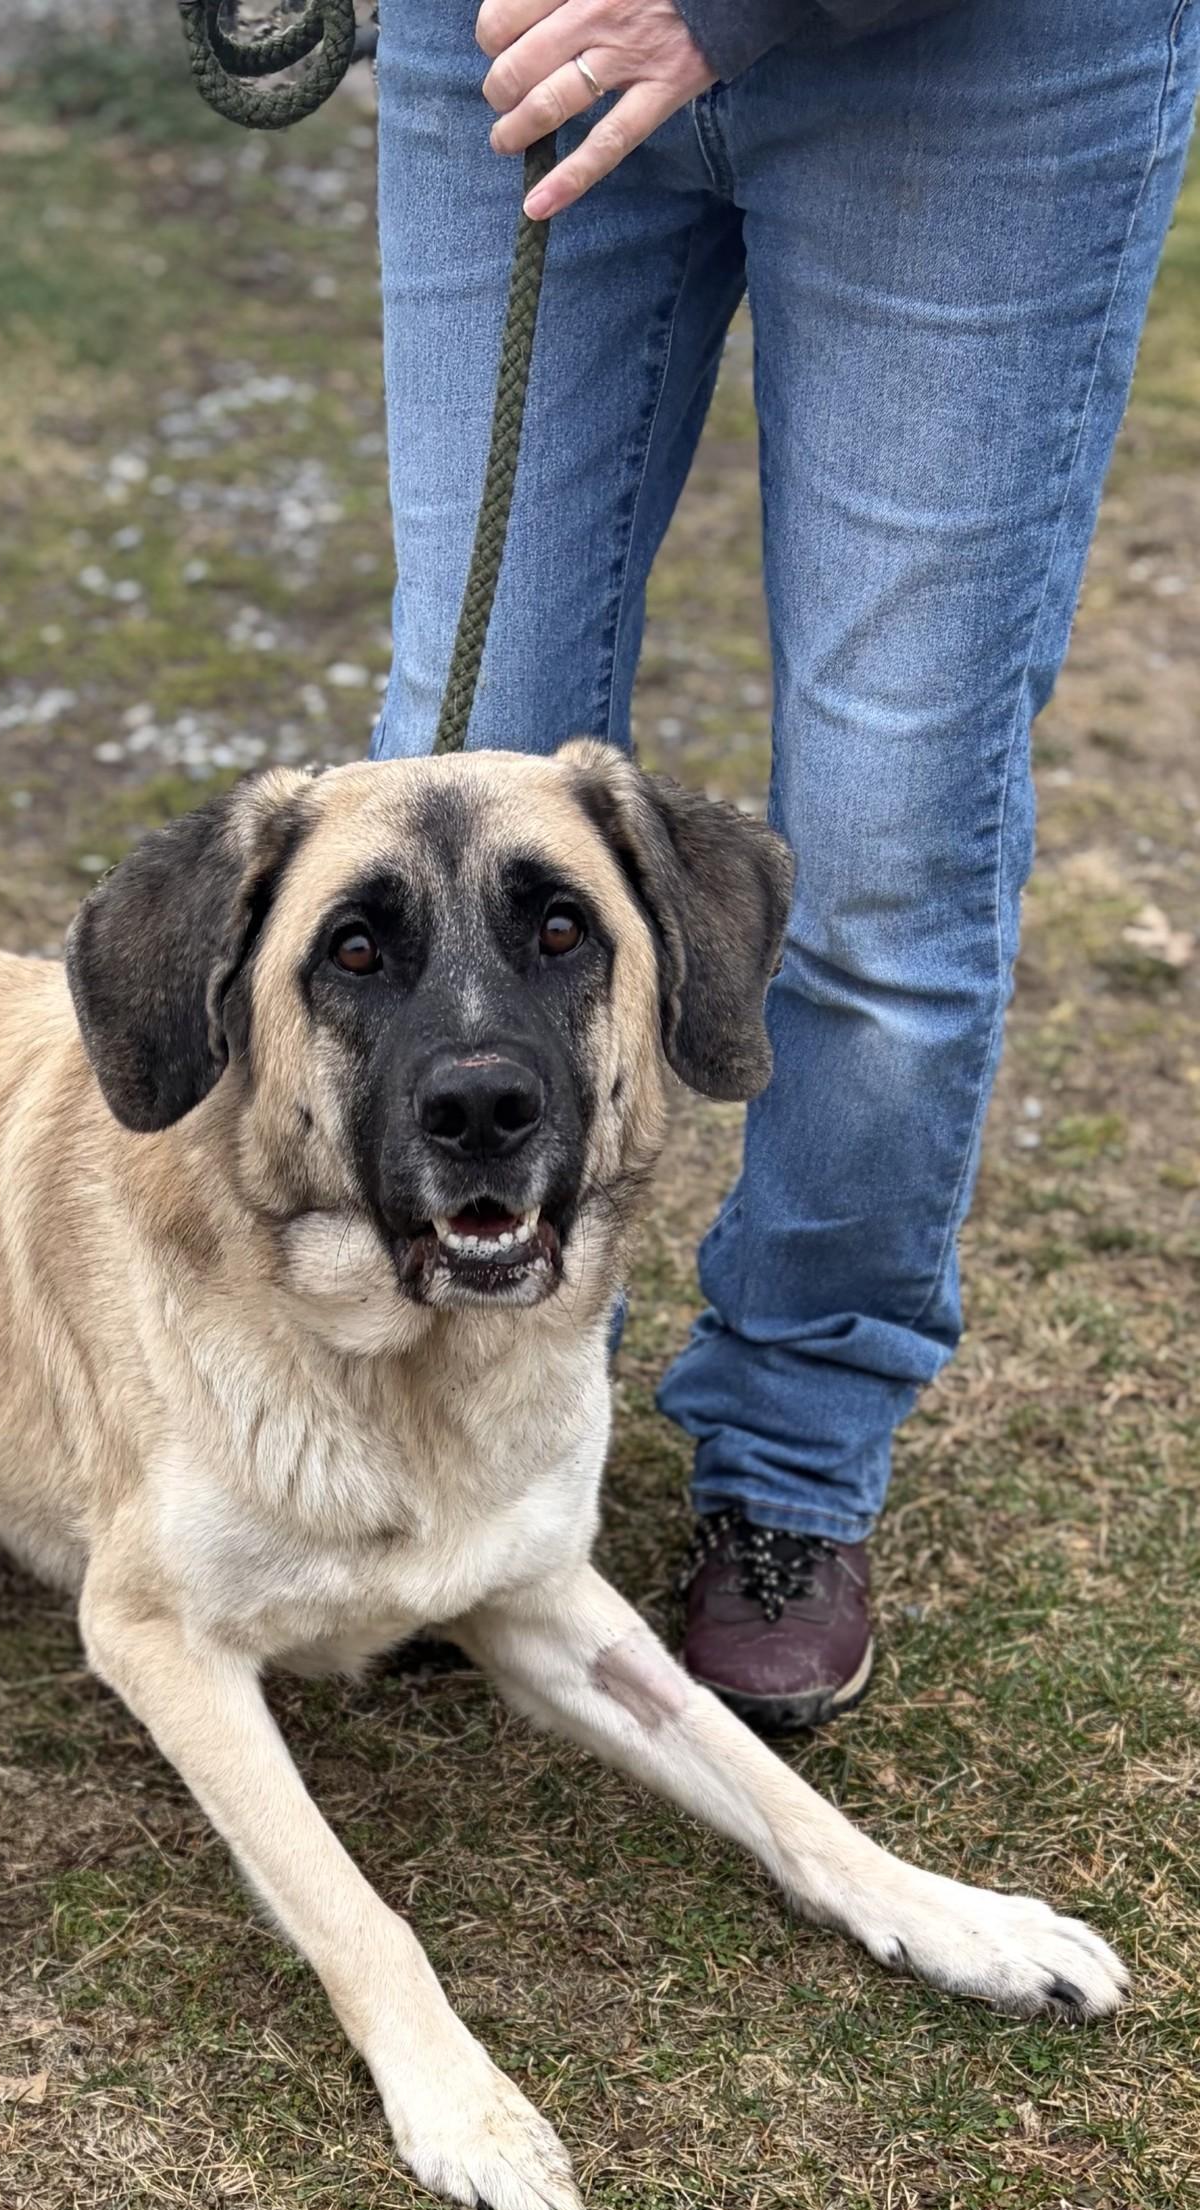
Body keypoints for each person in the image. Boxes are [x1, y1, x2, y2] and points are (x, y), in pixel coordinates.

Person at [372, 0, 1199, 1733]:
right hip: (516, 35)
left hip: (980, 66)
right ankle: (472, 1411)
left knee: (884, 839)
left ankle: (792, 1458)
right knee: (457, 767)